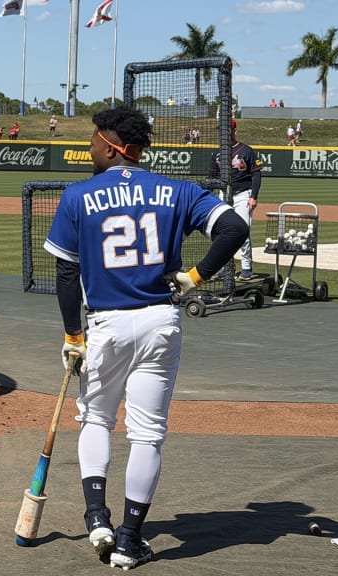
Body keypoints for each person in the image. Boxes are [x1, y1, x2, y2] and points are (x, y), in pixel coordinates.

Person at [43, 106, 248, 570]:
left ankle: (97, 518)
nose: (89, 148)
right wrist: (195, 276)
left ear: (115, 147)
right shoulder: (178, 190)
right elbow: (234, 228)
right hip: (159, 321)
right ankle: (129, 540)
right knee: (147, 435)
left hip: (105, 326)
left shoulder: (78, 197)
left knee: (96, 420)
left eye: (95, 141)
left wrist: (72, 334)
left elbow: (65, 272)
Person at [209, 118, 263, 281]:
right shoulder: (216, 153)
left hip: (243, 195)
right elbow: (211, 177)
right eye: (222, 130)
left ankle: (246, 268)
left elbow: (256, 174)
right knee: (220, 233)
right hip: (222, 195)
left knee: (243, 231)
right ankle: (225, 269)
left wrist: (253, 196)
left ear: (235, 131)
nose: (225, 132)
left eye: (228, 129)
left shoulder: (247, 151)